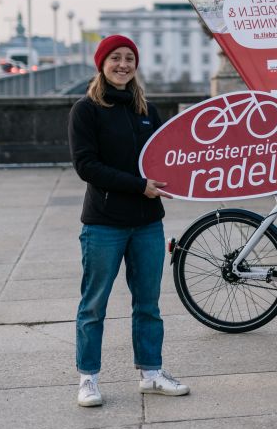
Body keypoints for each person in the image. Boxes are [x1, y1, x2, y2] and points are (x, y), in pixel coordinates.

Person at [68, 35, 190, 407]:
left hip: (148, 223)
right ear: (101, 64)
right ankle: (88, 379)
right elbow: (86, 166)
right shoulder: (85, 110)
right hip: (104, 223)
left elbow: (165, 156)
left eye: (129, 59)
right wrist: (140, 186)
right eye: (115, 58)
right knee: (94, 305)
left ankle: (151, 372)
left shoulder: (147, 109)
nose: (123, 64)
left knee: (148, 303)